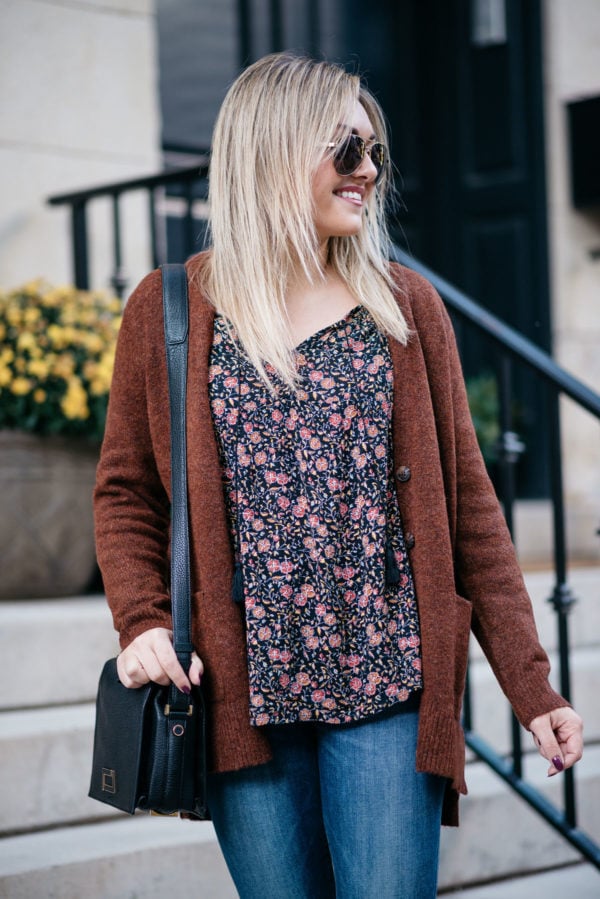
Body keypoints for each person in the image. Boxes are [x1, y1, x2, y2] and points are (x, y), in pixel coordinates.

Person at [94, 52, 583, 898]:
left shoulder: (405, 307)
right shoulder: (171, 307)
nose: (367, 174)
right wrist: (141, 620)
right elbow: (127, 490)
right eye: (344, 151)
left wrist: (532, 687)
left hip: (387, 680)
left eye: (373, 153)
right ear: (274, 152)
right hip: (243, 691)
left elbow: (470, 509)